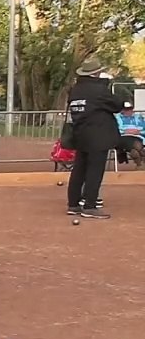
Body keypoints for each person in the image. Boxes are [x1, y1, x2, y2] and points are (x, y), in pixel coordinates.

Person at [64, 57, 120, 219]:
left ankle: (73, 204)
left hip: (80, 134)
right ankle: (90, 206)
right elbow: (116, 105)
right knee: (95, 171)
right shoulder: (99, 90)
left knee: (79, 170)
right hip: (98, 135)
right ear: (96, 73)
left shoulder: (76, 90)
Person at [115, 100, 143, 168]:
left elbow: (143, 128)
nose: (128, 111)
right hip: (122, 137)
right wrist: (125, 131)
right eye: (126, 109)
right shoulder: (117, 118)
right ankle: (141, 161)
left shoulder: (138, 117)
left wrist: (139, 132)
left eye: (130, 109)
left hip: (138, 136)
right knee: (137, 146)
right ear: (122, 110)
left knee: (135, 150)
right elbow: (115, 129)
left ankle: (139, 165)